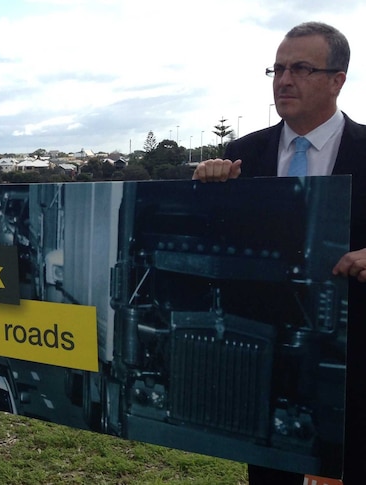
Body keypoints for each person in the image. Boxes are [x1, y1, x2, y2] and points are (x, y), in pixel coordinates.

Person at [193, 21, 366, 484]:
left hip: (350, 375)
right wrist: (206, 193)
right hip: (265, 369)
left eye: (301, 68)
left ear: (337, 80)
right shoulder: (242, 156)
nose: (284, 80)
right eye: (278, 69)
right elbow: (217, 246)